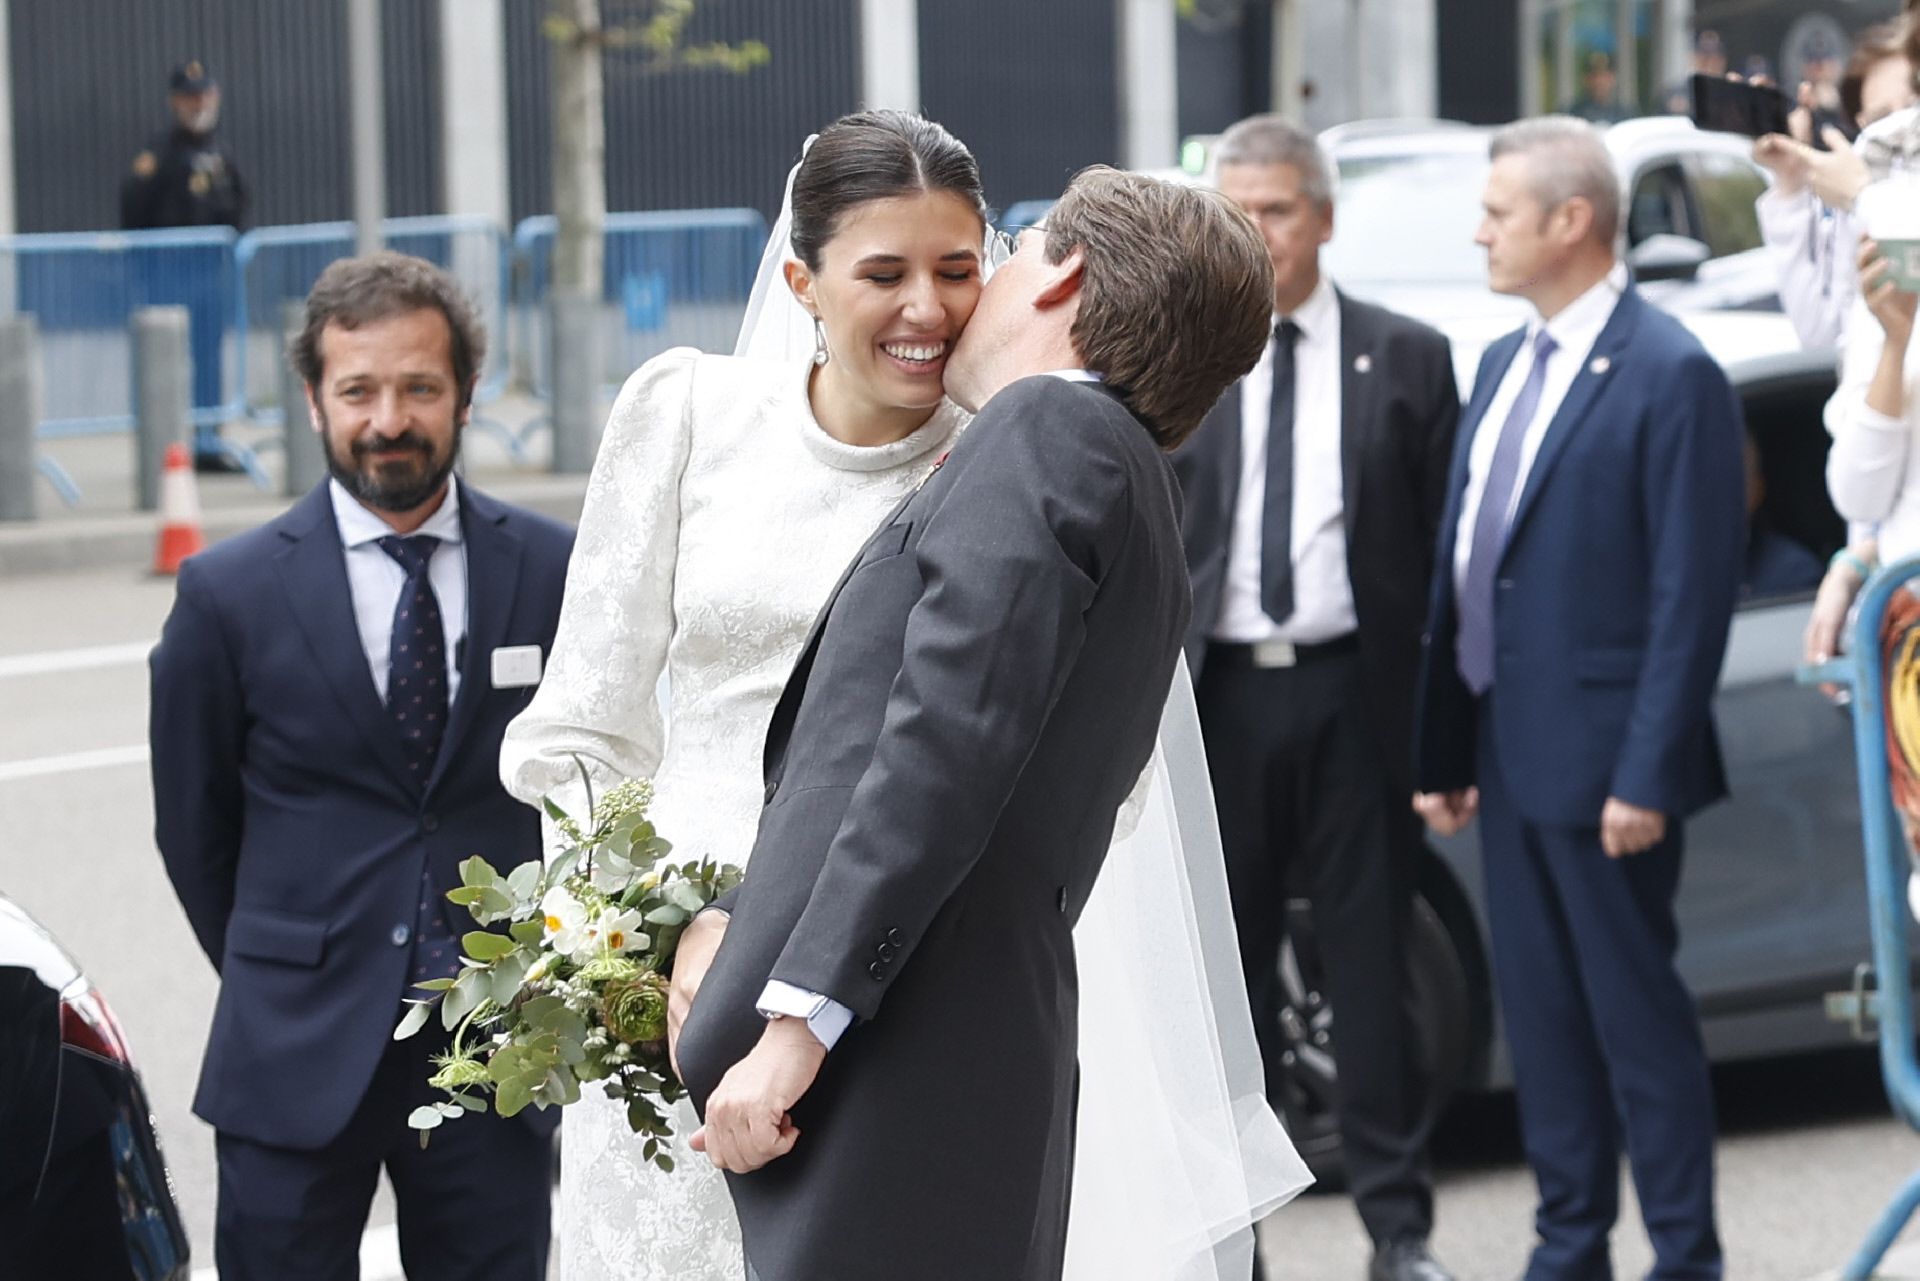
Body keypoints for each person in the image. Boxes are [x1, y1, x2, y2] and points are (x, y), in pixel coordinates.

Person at [504, 111, 1306, 1281]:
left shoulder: (1027, 446)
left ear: (1047, 274)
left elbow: (959, 753)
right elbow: (585, 728)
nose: (929, 308)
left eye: (968, 264)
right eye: (883, 273)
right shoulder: (700, 410)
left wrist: (793, 1014)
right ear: (802, 281)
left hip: (840, 1015)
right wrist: (641, 947)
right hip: (683, 995)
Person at [149, 253, 572, 1281]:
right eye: (359, 392)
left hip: (492, 1052)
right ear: (313, 401)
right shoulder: (226, 596)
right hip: (291, 1047)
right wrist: (292, 964)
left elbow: (589, 792)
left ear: (466, 395)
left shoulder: (559, 570)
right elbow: (195, 830)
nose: (389, 419)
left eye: (419, 387)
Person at [1412, 118, 1744, 1280]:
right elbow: (1474, 567)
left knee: (1635, 1027)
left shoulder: (1673, 372)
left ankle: (1686, 1258)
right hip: (1508, 751)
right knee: (1546, 1028)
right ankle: (1570, 1249)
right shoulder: (1504, 363)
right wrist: (1447, 747)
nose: (1479, 232)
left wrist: (1647, 773)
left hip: (1610, 773)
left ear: (1572, 222)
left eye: (1498, 212)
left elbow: (1689, 597)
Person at [1172, 115, 1459, 1281]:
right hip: (1220, 700)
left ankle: (1400, 1233)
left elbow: (1443, 562)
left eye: (1275, 210)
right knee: (1220, 983)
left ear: (1324, 219)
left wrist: (1449, 734)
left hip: (1356, 702)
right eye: (1231, 210)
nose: (1254, 233)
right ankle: (1233, 1238)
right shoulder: (1184, 356)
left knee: (1367, 964)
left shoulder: (1408, 355)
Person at [1752, 16, 1916, 352]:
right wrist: (1791, 183)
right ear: (1863, 128)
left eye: (1913, 109)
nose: (1902, 130)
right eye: (1883, 120)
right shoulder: (1858, 198)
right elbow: (1823, 336)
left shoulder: (1863, 197)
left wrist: (1863, 198)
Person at [121, 59, 247, 471]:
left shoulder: (220, 153)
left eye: (204, 96)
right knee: (165, 360)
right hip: (166, 275)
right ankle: (166, 446)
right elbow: (134, 209)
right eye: (190, 97)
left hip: (208, 275)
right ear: (176, 101)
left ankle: (208, 442)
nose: (198, 104)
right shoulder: (158, 154)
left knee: (209, 358)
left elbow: (240, 207)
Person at [1566, 51, 1628, 124]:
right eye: (1595, 76)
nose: (1600, 82)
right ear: (1586, 79)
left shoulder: (1626, 115)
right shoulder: (1572, 114)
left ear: (1613, 79)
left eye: (1604, 76)